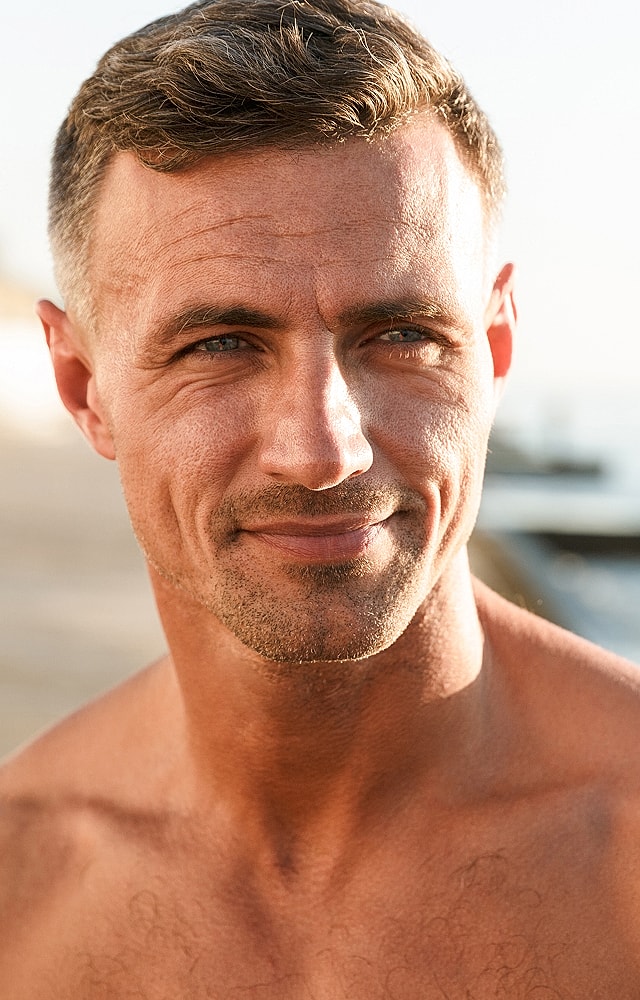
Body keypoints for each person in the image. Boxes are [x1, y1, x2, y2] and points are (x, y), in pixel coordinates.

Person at [1, 0, 639, 994]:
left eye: (403, 334)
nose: (322, 452)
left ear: (494, 346)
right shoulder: (21, 882)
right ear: (85, 387)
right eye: (220, 344)